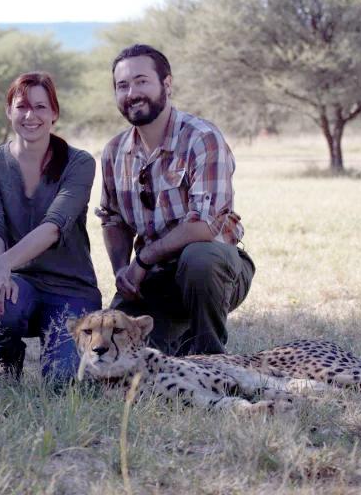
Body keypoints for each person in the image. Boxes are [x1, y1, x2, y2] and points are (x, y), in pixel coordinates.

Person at [95, 44, 254, 356]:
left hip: (213, 270)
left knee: (199, 259)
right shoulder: (114, 151)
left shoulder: (201, 138)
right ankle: (179, 341)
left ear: (166, 84)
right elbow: (112, 219)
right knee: (120, 351)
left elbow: (204, 227)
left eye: (142, 81)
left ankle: (211, 356)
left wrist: (141, 261)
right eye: (122, 85)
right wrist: (121, 272)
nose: (132, 93)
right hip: (152, 277)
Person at [0, 72, 100, 380]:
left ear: (54, 113)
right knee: (0, 305)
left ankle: (57, 352)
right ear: (9, 112)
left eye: (41, 107)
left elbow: (55, 225)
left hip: (71, 288)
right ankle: (9, 355)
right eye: (22, 106)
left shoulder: (79, 162)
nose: (31, 115)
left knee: (63, 381)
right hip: (20, 284)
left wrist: (3, 264)